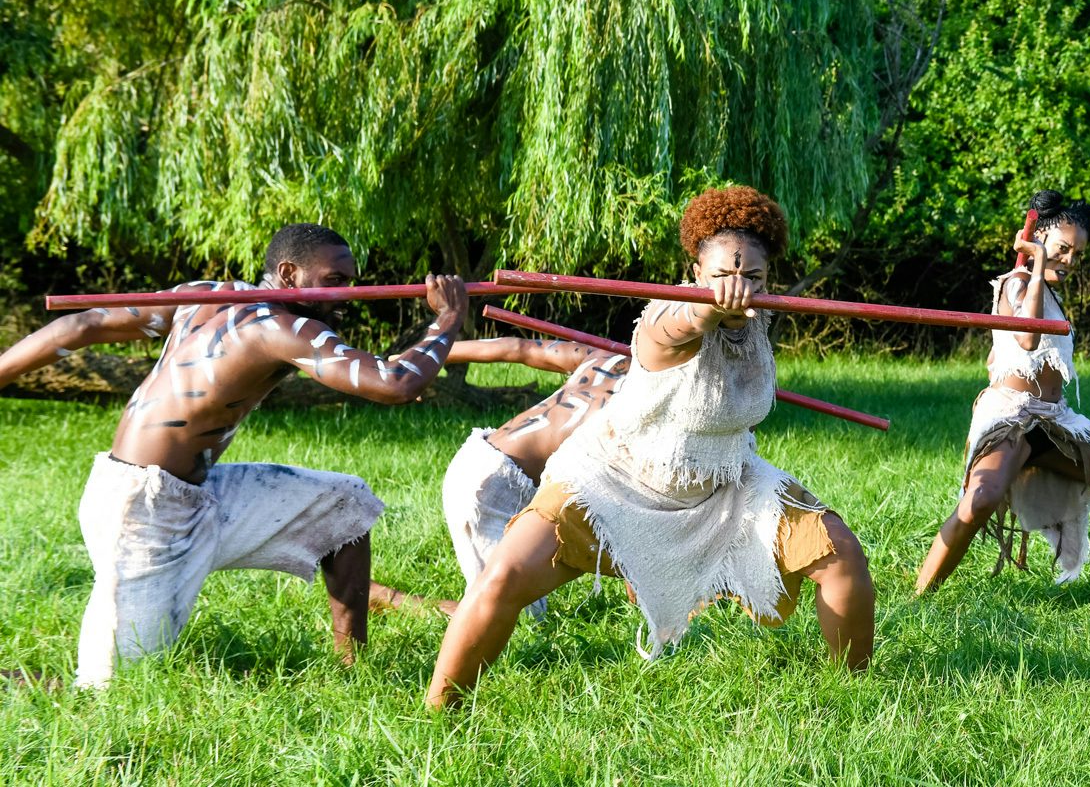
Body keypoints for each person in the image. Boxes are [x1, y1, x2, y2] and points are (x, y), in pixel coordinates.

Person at [426, 187, 874, 709]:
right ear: (695, 273)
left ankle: (854, 694)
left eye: (753, 278)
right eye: (723, 276)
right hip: (614, 480)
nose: (740, 289)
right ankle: (441, 712)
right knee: (505, 575)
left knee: (837, 550)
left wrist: (731, 305)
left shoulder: (757, 325)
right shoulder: (667, 315)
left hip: (724, 482)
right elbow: (676, 328)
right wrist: (704, 311)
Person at [0, 223, 468, 686]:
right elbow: (396, 384)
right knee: (110, 689)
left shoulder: (208, 294)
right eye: (334, 281)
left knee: (344, 503)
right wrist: (446, 319)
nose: (345, 295)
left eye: (348, 282)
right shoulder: (277, 328)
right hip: (141, 511)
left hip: (197, 493)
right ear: (289, 273)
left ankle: (354, 671)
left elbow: (78, 324)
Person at [915, 191, 1090, 595]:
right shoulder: (1015, 283)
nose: (1070, 261)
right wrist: (1036, 263)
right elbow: (1025, 336)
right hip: (1011, 418)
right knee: (981, 499)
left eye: (1078, 254)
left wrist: (1043, 262)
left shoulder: (1048, 291)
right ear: (1037, 240)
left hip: (1056, 422)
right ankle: (921, 595)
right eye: (1062, 249)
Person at [366, 335, 630, 616]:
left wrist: (419, 359)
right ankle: (386, 598)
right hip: (492, 488)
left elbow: (516, 347)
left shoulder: (607, 358)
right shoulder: (655, 402)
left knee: (523, 601)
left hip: (499, 469)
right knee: (499, 620)